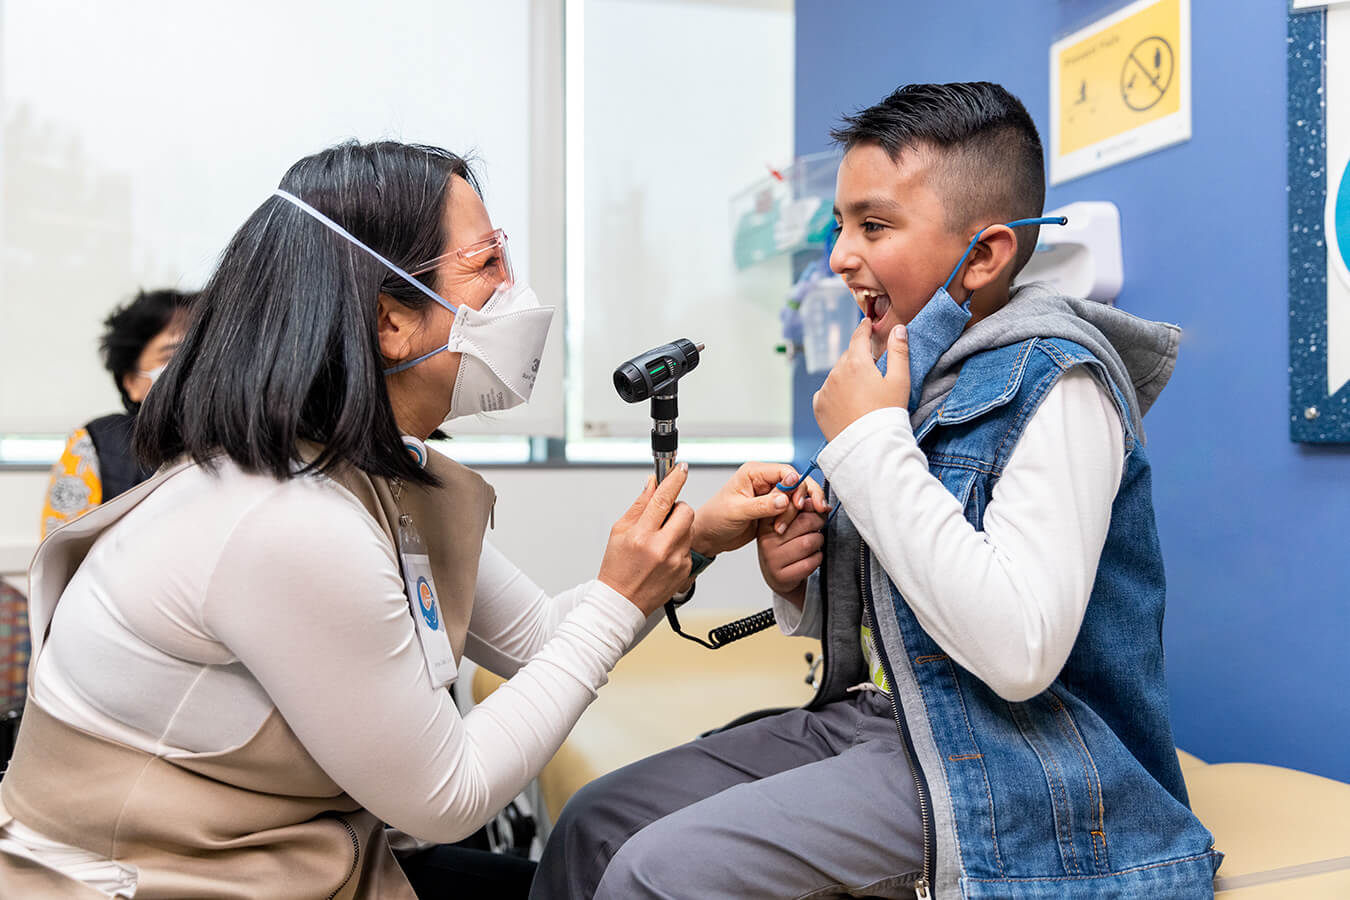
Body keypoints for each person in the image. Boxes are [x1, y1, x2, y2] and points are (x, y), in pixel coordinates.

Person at [0, 140, 803, 899]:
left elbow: (535, 642)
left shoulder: (372, 474)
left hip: (294, 858)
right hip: (160, 883)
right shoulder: (280, 520)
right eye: (486, 263)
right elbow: (448, 797)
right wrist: (625, 596)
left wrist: (689, 545)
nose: (516, 293)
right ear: (389, 320)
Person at [535, 82, 1223, 900]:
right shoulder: (917, 374)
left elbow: (1020, 650)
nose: (838, 257)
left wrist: (865, 442)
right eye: (839, 227)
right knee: (595, 823)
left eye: (874, 225)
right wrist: (797, 578)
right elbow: (911, 595)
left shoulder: (1058, 383)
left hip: (1021, 763)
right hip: (891, 721)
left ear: (988, 254)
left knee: (658, 872)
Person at [39, 289, 194, 538]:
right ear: (131, 381)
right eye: (172, 355)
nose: (191, 366)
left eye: (200, 352)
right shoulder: (96, 444)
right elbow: (61, 558)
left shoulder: (244, 442)